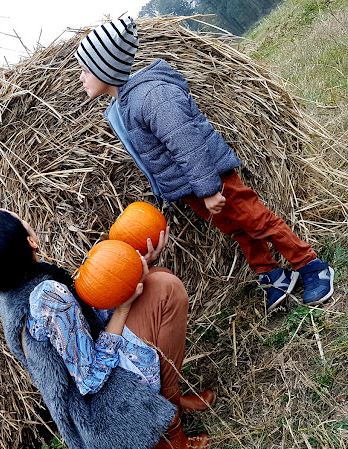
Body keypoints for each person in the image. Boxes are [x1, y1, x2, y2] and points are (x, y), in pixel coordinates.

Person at [75, 17, 334, 313]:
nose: (81, 78)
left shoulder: (151, 95)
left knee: (257, 221)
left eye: (84, 70)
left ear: (104, 67)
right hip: (191, 188)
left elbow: (186, 142)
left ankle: (311, 265)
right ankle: (273, 275)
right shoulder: (123, 107)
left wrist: (210, 189)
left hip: (212, 178)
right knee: (238, 230)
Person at [0, 207, 214, 449]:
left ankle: (171, 401)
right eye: (21, 220)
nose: (25, 219)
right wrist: (123, 308)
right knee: (167, 291)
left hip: (95, 378)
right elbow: (91, 377)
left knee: (155, 278)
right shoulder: (47, 297)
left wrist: (132, 267)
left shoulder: (10, 283)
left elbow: (82, 323)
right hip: (103, 408)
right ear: (31, 242)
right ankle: (167, 430)